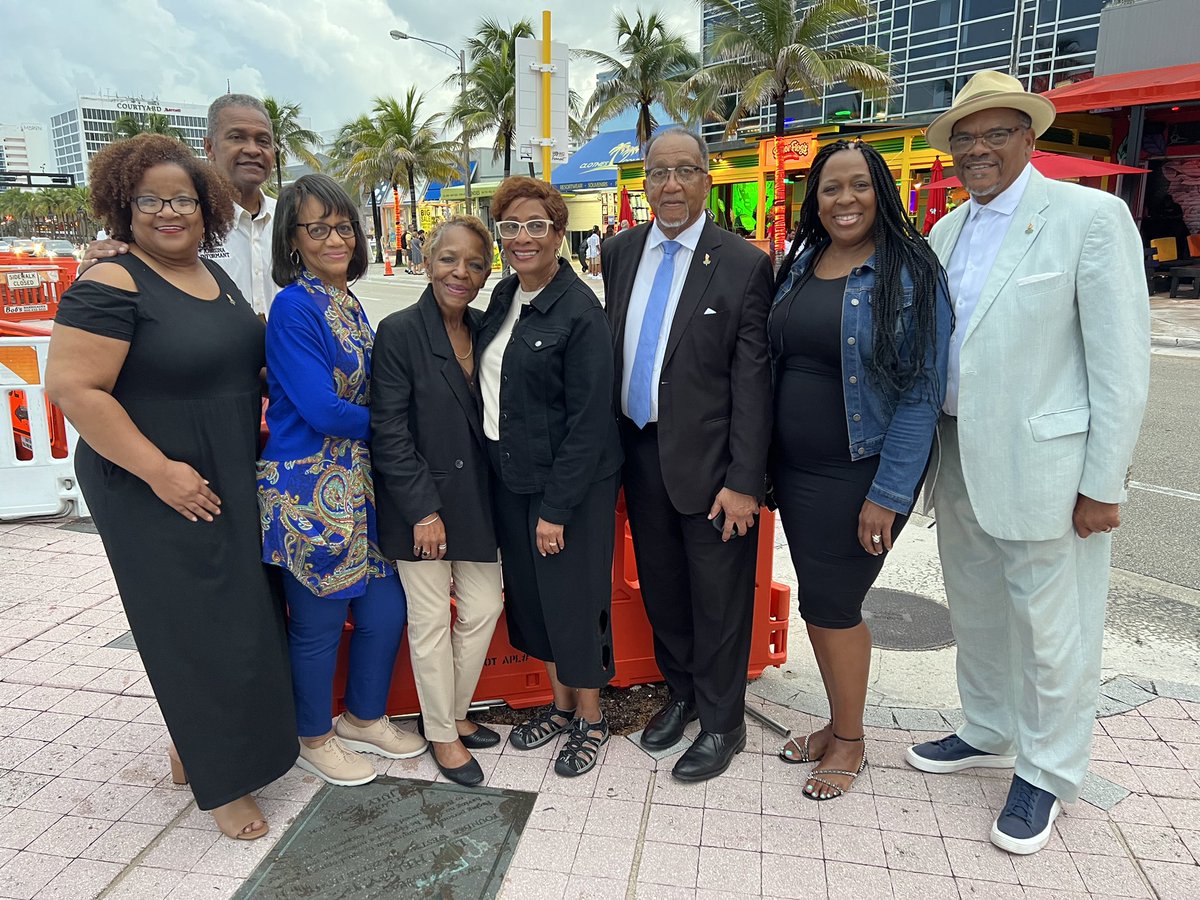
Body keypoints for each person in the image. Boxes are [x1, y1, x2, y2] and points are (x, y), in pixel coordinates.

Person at [905, 71, 1150, 854]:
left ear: (1028, 138)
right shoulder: (944, 231)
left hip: (1049, 473)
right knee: (977, 611)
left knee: (1053, 630)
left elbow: (1120, 366)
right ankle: (988, 727)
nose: (977, 149)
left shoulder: (1089, 218)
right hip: (960, 460)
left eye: (995, 133)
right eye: (965, 139)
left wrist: (1102, 484)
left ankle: (1046, 770)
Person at [44, 134, 296, 840]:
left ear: (204, 204)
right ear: (123, 206)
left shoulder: (214, 275)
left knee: (239, 615)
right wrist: (160, 472)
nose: (168, 212)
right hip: (155, 484)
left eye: (182, 198)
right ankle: (224, 784)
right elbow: (71, 386)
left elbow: (236, 360)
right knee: (192, 626)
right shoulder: (111, 281)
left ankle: (195, 745)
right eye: (150, 199)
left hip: (224, 473)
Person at [770, 140, 952, 801]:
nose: (843, 199)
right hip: (796, 470)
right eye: (829, 188)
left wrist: (889, 492)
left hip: (860, 470)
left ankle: (850, 740)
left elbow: (923, 390)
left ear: (881, 190)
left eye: (858, 186)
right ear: (813, 199)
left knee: (835, 604)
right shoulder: (802, 260)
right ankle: (837, 722)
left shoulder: (910, 272)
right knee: (821, 602)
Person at [601, 127, 773, 782]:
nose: (671, 184)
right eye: (658, 172)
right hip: (639, 455)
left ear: (707, 177)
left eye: (685, 171)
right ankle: (685, 694)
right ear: (644, 181)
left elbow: (754, 382)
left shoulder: (743, 263)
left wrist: (744, 480)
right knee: (665, 592)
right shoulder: (619, 253)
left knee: (719, 599)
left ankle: (725, 723)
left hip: (713, 468)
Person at [258, 174, 426, 787]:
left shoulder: (347, 300)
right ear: (293, 239)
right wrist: (400, 426)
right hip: (308, 488)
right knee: (319, 621)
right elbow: (321, 409)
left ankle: (363, 716)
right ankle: (314, 735)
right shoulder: (295, 306)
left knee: (385, 608)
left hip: (359, 486)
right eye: (318, 228)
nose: (335, 237)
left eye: (343, 226)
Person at [477, 177, 623, 777]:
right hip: (512, 476)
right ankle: (561, 707)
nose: (522, 238)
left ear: (560, 233)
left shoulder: (580, 311)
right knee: (535, 602)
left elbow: (590, 423)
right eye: (510, 227)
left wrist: (557, 509)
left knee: (574, 600)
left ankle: (591, 717)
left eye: (537, 225)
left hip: (569, 487)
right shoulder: (505, 294)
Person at [371, 216, 505, 787]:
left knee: (484, 608)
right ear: (427, 262)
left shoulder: (485, 327)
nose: (462, 272)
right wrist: (422, 510)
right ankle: (444, 735)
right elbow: (390, 429)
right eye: (450, 259)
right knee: (429, 623)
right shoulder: (400, 331)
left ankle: (450, 714)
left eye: (475, 263)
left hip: (476, 501)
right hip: (420, 504)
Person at [80, 94, 279, 317]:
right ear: (209, 147)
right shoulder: (175, 220)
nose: (253, 149)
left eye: (263, 141)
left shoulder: (292, 219)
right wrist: (92, 268)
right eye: (237, 137)